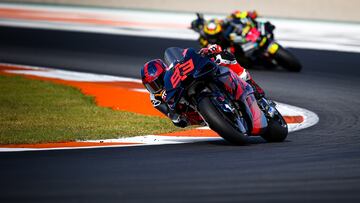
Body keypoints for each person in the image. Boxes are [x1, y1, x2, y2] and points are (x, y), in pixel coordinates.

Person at [140, 44, 267, 128]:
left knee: (223, 57)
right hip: (194, 111)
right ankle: (221, 117)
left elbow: (188, 55)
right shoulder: (155, 99)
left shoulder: (175, 68)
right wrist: (176, 116)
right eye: (151, 86)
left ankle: (252, 86)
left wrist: (207, 51)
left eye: (157, 82)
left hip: (192, 79)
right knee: (185, 119)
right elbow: (173, 117)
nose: (155, 87)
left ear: (165, 71)